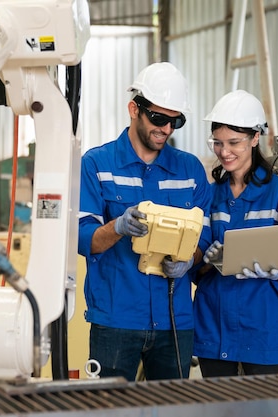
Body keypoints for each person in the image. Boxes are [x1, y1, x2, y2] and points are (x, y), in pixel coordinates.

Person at [78, 62, 213, 381]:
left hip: (174, 322)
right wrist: (118, 227)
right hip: (116, 319)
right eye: (158, 118)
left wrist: (187, 261)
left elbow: (203, 242)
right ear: (133, 109)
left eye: (175, 121)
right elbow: (83, 239)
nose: (166, 129)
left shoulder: (189, 171)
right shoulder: (97, 165)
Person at [192, 89, 278, 378]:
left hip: (264, 327)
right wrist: (209, 259)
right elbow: (197, 263)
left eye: (234, 142)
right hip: (215, 325)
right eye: (217, 143)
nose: (224, 152)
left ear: (255, 138)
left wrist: (276, 271)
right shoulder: (211, 195)